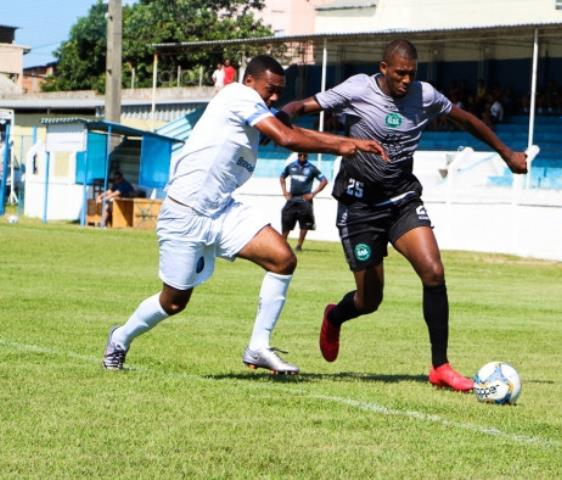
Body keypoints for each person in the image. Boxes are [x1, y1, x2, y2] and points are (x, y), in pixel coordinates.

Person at [281, 39, 539, 392]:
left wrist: (507, 154)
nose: (406, 80)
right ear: (384, 68)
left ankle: (440, 367)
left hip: (402, 199)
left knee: (433, 272)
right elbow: (306, 104)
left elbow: (465, 120)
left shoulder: (426, 95)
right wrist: (286, 113)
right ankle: (335, 316)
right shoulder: (358, 88)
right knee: (369, 301)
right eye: (400, 73)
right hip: (359, 208)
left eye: (411, 74)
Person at [102, 55, 386, 373]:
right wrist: (344, 144)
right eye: (271, 89)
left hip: (222, 211)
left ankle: (258, 347)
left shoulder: (256, 110)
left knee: (283, 259)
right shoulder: (237, 96)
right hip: (185, 213)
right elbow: (287, 138)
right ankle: (120, 338)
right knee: (174, 302)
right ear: (249, 81)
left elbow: (284, 128)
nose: (275, 96)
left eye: (280, 91)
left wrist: (329, 131)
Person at [279, 152, 328, 252]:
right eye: (300, 155)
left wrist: (313, 193)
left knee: (305, 224)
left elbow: (324, 180)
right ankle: (282, 244)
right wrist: (284, 192)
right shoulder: (291, 166)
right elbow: (282, 177)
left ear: (307, 156)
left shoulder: (312, 168)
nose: (302, 157)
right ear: (297, 155)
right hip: (292, 198)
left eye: (304, 155)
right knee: (286, 220)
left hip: (305, 200)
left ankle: (299, 246)